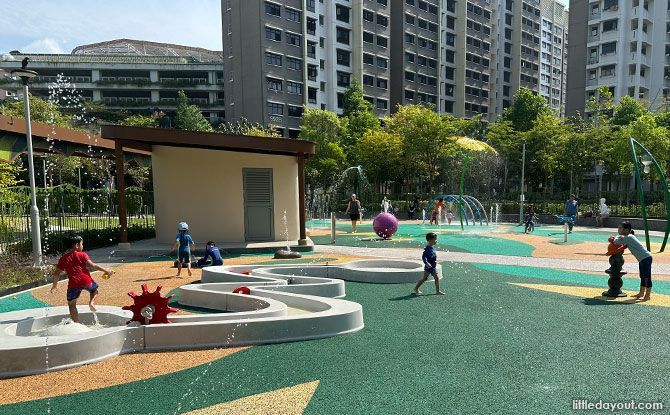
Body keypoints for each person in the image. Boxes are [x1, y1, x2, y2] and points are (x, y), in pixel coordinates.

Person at [50, 234, 114, 323]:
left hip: (73, 284)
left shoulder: (63, 259)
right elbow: (93, 265)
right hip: (86, 280)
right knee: (94, 290)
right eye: (82, 244)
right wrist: (106, 270)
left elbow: (56, 274)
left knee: (71, 304)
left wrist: (54, 286)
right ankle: (91, 302)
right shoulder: (82, 255)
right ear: (76, 245)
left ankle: (76, 323)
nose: (82, 246)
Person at [612, 221, 653, 301]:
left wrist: (616, 237)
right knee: (642, 276)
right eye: (618, 227)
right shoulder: (628, 236)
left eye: (620, 228)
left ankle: (647, 295)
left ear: (626, 230)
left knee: (647, 277)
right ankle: (641, 293)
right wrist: (619, 237)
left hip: (646, 258)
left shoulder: (629, 237)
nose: (618, 229)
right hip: (643, 259)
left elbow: (615, 241)